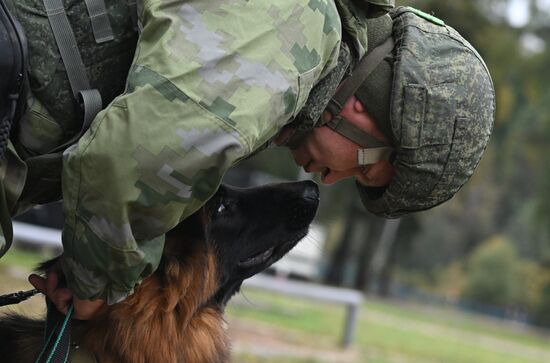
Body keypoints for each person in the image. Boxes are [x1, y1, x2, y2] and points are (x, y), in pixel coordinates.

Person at [0, 0, 495, 320]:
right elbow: (124, 165)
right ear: (366, 112)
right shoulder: (293, 35)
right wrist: (94, 284)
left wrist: (96, 263)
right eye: (363, 167)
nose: (330, 178)